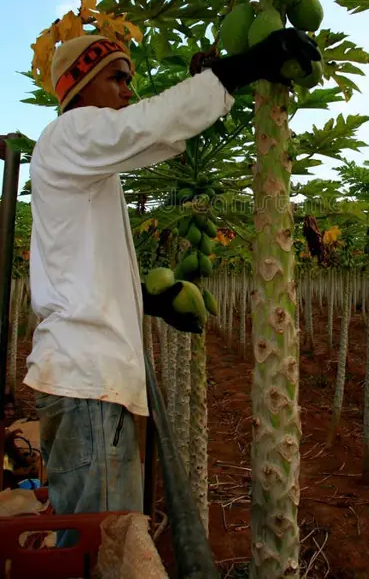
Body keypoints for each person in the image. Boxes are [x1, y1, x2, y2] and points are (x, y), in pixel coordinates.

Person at [23, 28, 320, 522]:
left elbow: (151, 143)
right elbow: (147, 126)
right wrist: (241, 68)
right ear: (80, 87)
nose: (128, 91)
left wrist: (146, 299)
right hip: (86, 382)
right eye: (117, 77)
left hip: (87, 382)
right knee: (105, 550)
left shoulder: (87, 163)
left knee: (95, 542)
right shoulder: (68, 133)